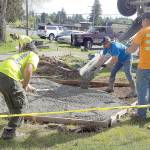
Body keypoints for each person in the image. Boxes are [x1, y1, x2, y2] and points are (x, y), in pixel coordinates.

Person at [0, 47, 39, 140]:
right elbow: (28, 70)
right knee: (21, 104)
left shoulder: (19, 56)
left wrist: (29, 86)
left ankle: (15, 128)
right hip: (9, 75)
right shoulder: (34, 55)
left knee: (13, 104)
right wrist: (24, 86)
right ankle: (8, 133)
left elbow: (19, 77)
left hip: (3, 74)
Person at [127, 12, 150, 120]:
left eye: (142, 20)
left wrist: (126, 50)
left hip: (145, 68)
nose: (141, 23)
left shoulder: (143, 32)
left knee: (142, 92)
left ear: (146, 20)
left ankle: (141, 115)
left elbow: (133, 49)